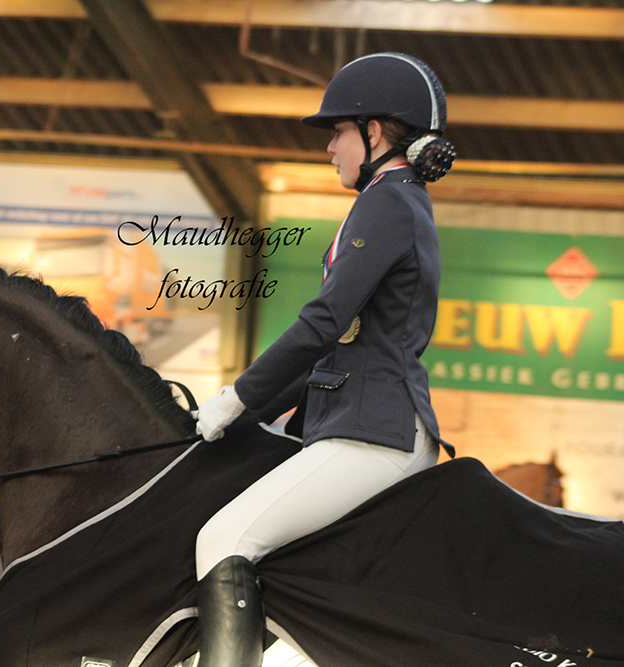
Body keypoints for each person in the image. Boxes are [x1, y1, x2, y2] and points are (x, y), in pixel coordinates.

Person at [193, 52, 458, 667]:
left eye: (338, 132)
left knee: (225, 539)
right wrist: (262, 417)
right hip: (365, 422)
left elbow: (322, 325)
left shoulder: (388, 203)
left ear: (375, 132)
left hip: (373, 434)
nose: (329, 148)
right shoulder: (395, 200)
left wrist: (235, 399)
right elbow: (342, 347)